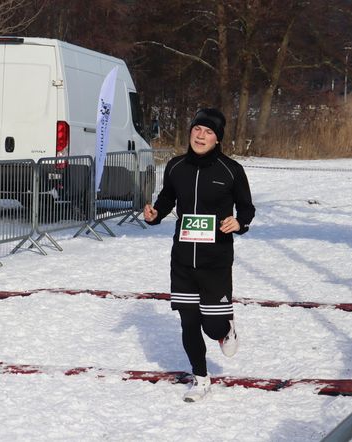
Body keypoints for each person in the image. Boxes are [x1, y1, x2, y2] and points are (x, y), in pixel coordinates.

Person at [143, 108, 255, 402]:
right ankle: (201, 378)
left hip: (215, 261)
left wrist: (239, 223)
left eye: (208, 132)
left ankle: (225, 328)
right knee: (188, 322)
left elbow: (246, 207)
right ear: (190, 132)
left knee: (211, 324)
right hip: (182, 260)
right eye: (197, 130)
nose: (201, 136)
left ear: (217, 139)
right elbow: (167, 197)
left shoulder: (231, 170)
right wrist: (155, 214)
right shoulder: (176, 166)